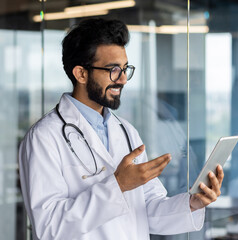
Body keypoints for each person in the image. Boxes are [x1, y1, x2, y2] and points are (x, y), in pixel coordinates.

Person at [18, 18, 224, 240]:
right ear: (81, 74)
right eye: (114, 70)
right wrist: (118, 185)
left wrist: (192, 203)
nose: (123, 79)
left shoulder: (126, 132)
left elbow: (147, 210)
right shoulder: (44, 137)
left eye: (125, 69)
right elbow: (49, 227)